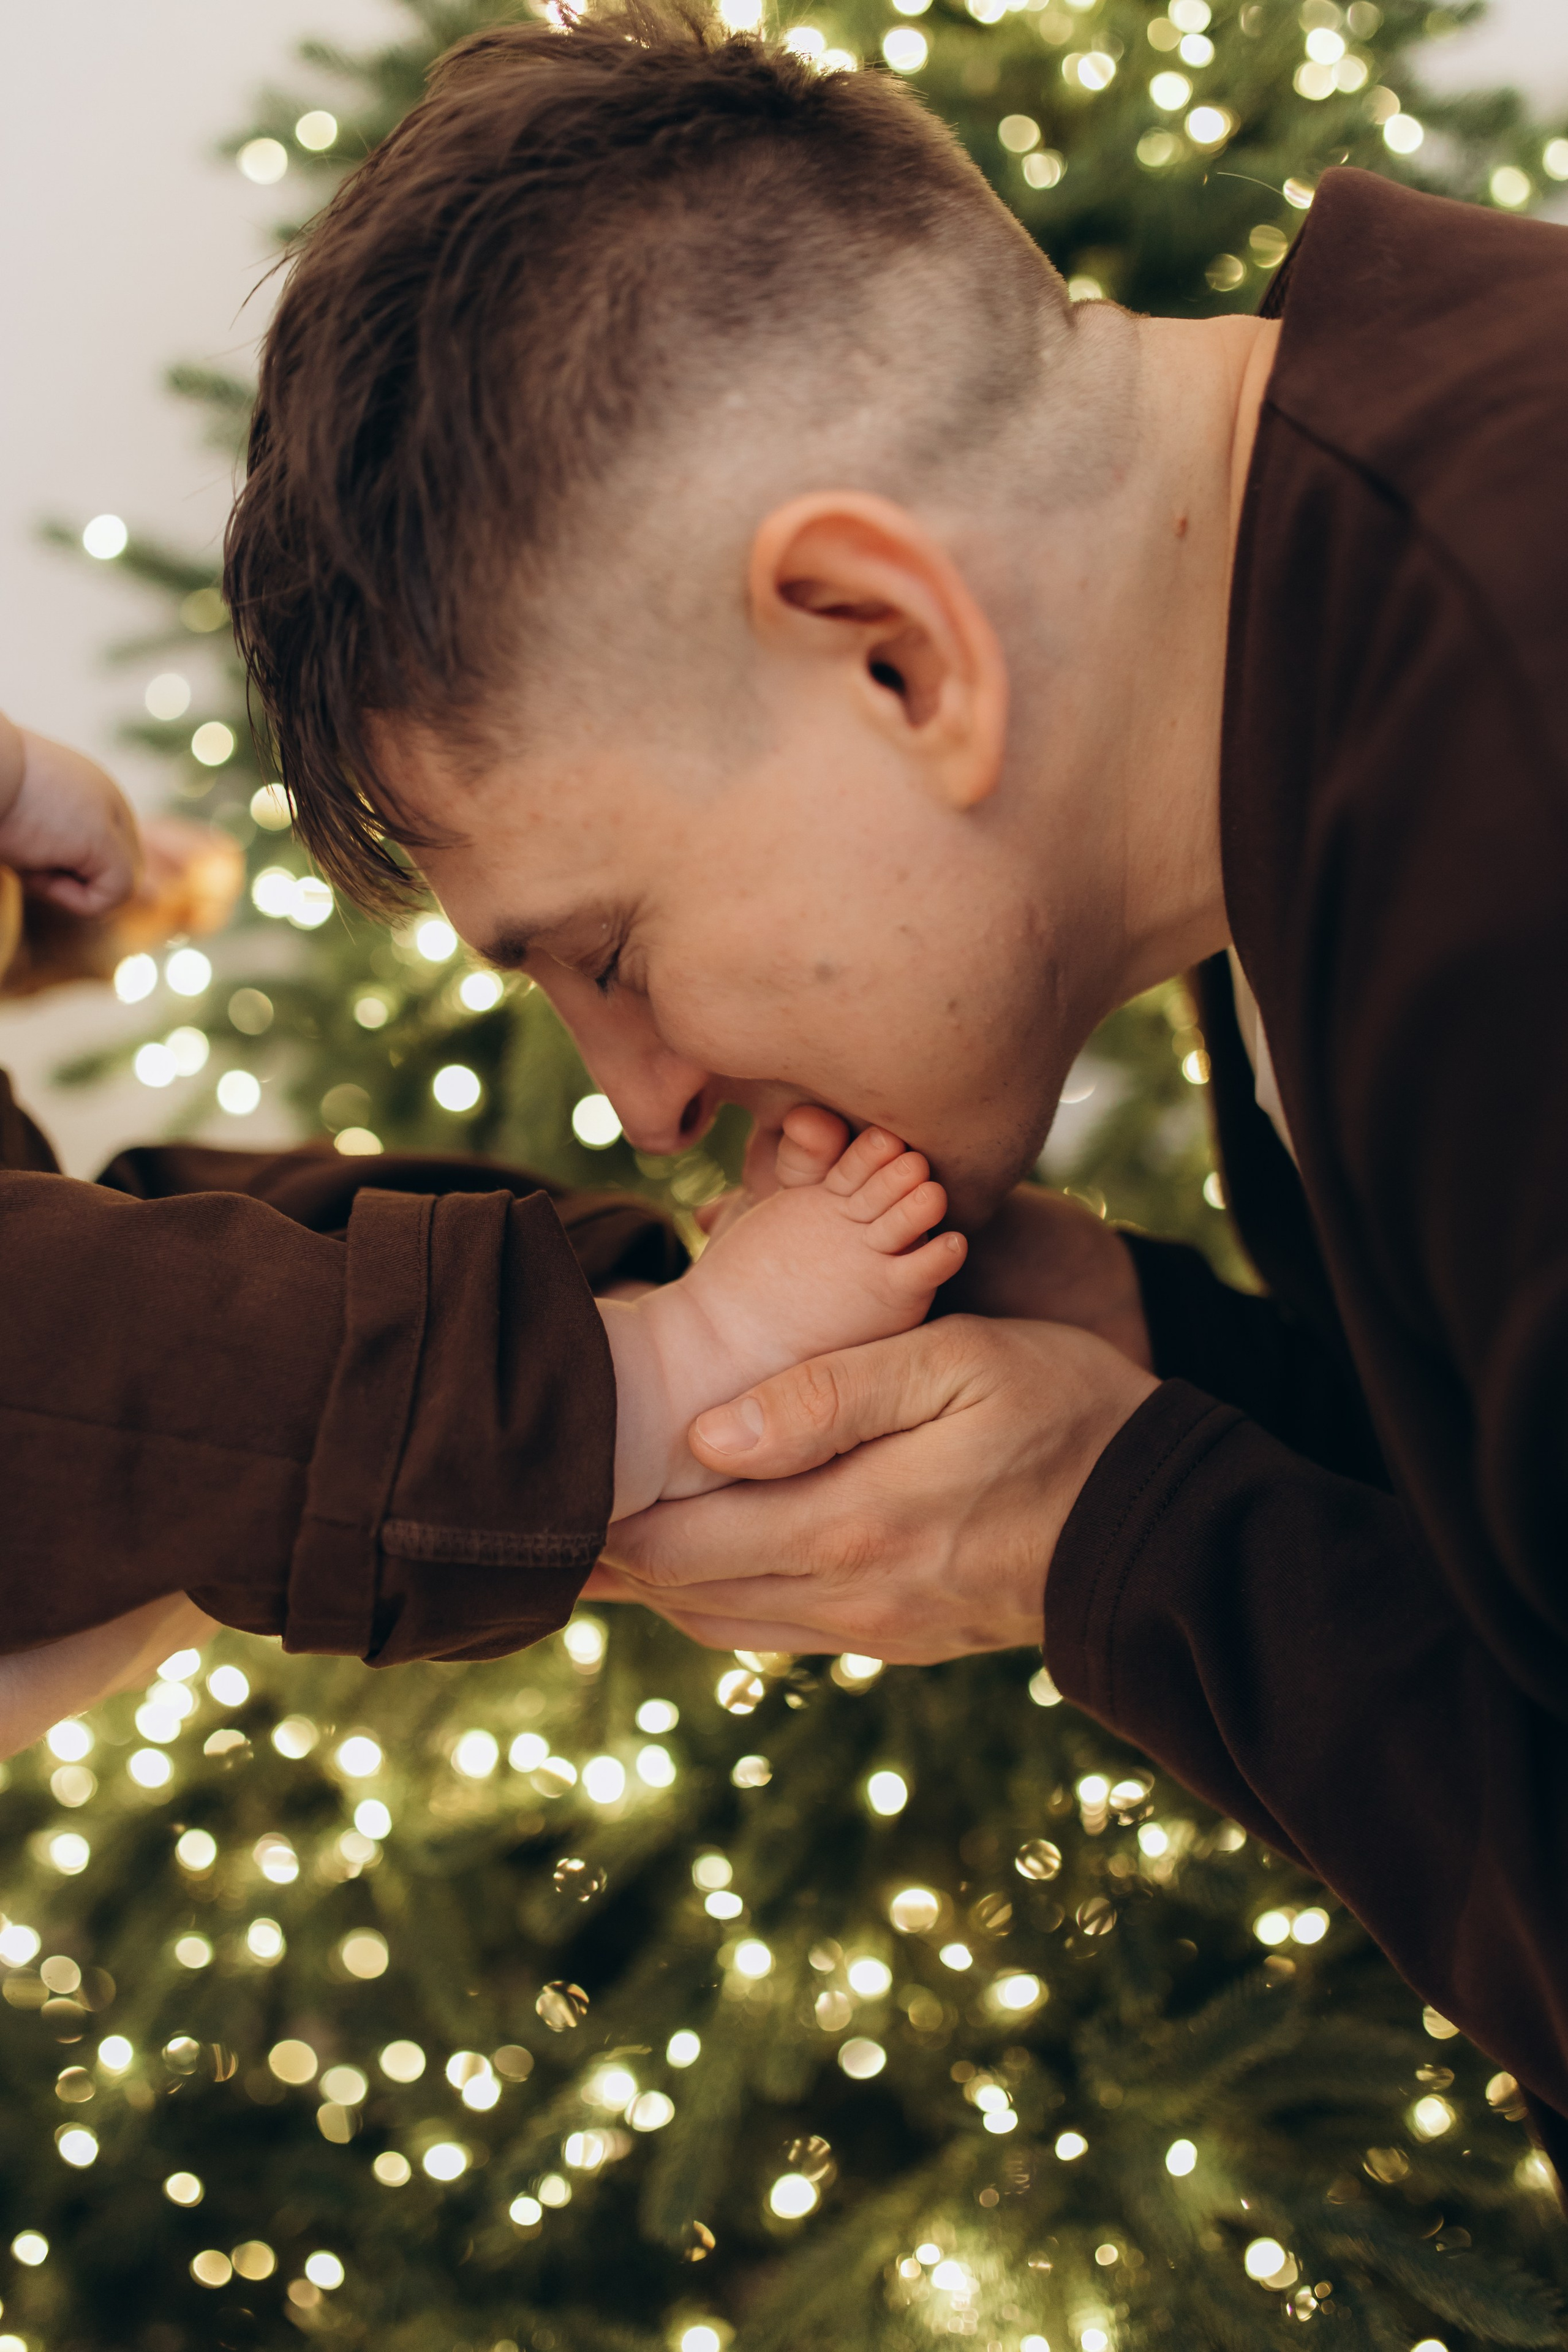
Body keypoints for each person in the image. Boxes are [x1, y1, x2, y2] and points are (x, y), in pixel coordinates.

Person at [219, 7, 1568, 2169]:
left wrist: (1105, 1535)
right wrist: (1168, 1365)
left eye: (610, 951)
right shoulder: (1336, 620)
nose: (650, 1108)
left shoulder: (1515, 796)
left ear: (887, 644)